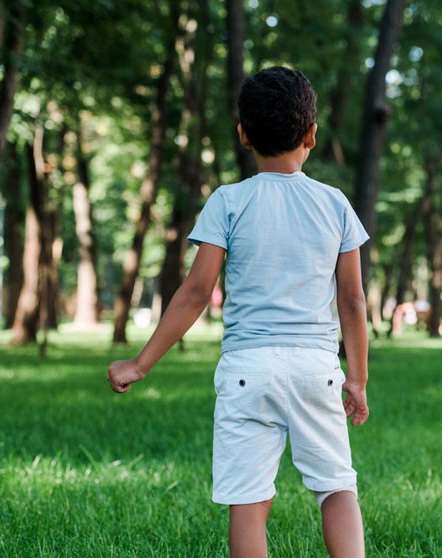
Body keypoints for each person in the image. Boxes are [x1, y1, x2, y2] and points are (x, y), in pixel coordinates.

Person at [107, 66, 370, 558]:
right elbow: (353, 300)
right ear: (312, 134)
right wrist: (357, 378)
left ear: (243, 134)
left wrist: (140, 363)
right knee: (336, 486)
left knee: (248, 500)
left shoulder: (229, 202)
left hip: (248, 369)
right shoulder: (335, 204)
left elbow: (195, 291)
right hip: (317, 368)